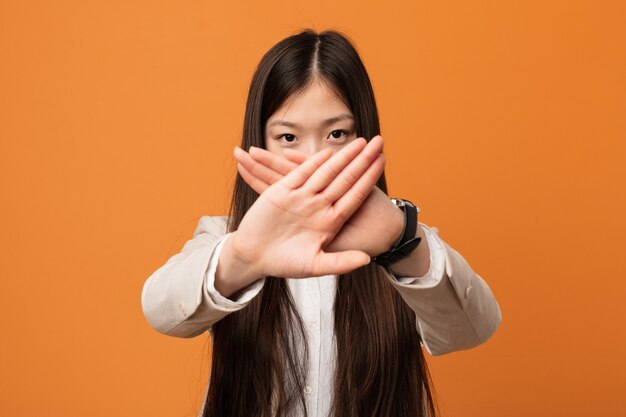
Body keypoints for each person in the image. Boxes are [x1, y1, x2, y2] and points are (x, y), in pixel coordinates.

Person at [141, 28, 502, 417]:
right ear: (260, 142)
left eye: (336, 134)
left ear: (363, 134)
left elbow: (473, 328)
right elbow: (162, 312)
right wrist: (244, 255)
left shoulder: (402, 242)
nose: (314, 161)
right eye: (288, 137)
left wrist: (399, 239)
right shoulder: (225, 238)